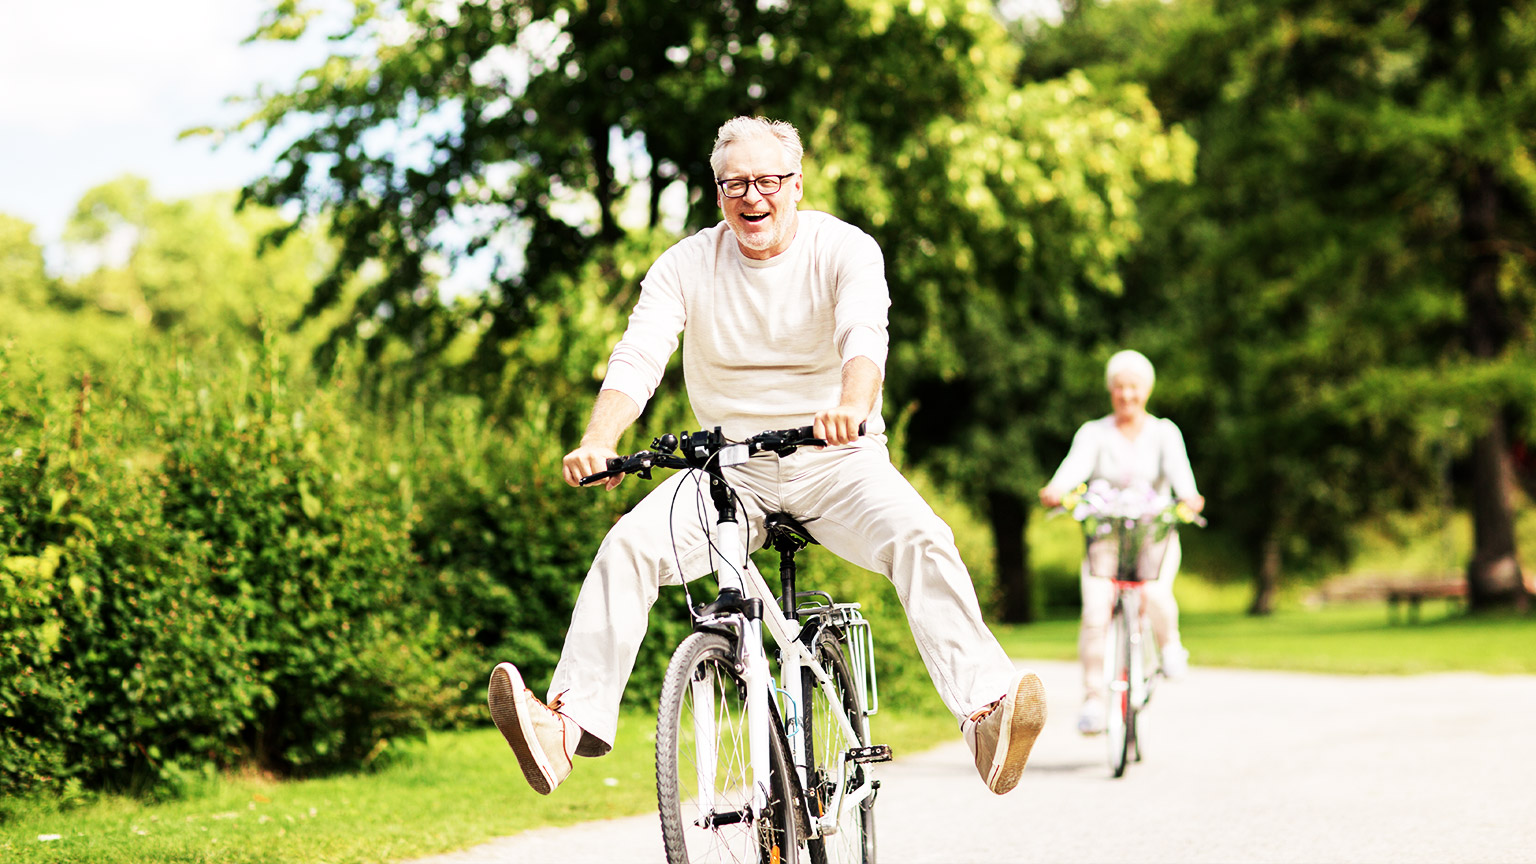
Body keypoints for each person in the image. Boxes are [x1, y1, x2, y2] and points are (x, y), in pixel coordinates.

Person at [487, 115, 1046, 797]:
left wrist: (852, 405)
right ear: (717, 193)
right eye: (734, 185)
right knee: (627, 547)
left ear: (796, 185)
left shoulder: (845, 249)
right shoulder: (686, 264)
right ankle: (564, 730)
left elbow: (864, 337)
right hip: (730, 471)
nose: (752, 197)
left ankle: (986, 717)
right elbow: (638, 356)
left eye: (767, 181)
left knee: (922, 537)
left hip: (838, 461)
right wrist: (599, 440)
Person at [1037, 349, 1204, 735]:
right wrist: (1056, 490)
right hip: (1106, 539)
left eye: (1134, 388)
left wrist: (1189, 499)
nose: (1126, 395)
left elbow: (1184, 481)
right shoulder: (1094, 433)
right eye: (1119, 388)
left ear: (1146, 391)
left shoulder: (1165, 432)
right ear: (1111, 391)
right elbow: (1072, 470)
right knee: (1095, 612)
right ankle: (1094, 700)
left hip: (1153, 537)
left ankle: (1170, 647)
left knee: (1156, 594)